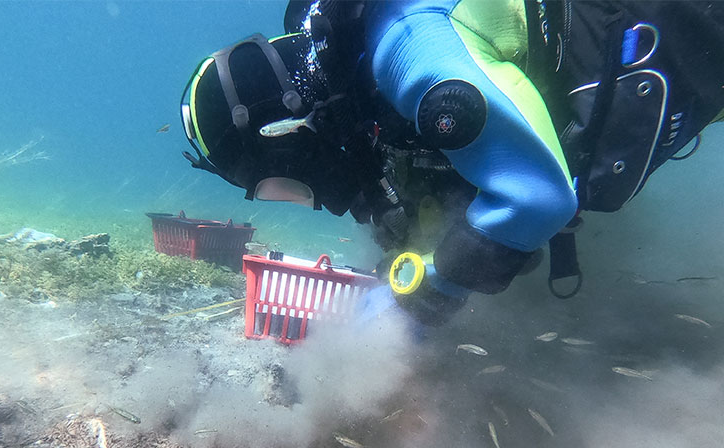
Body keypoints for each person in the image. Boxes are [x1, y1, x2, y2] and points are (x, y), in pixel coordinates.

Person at [179, 1, 724, 325]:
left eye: (287, 188)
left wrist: (422, 302)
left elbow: (540, 198)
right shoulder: (365, 74)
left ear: (294, 132)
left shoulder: (402, 48)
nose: (315, 199)